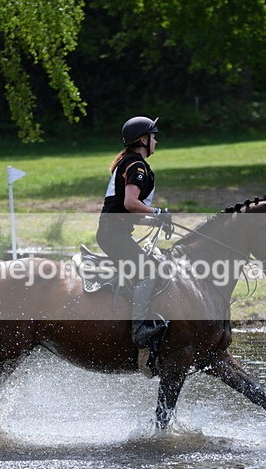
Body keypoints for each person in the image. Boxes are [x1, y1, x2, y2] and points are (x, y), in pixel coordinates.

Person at [96, 116, 173, 369]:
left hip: (115, 232)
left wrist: (156, 221)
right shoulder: (136, 166)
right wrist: (158, 214)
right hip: (112, 235)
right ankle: (140, 329)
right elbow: (130, 204)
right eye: (154, 136)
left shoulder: (132, 163)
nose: (156, 141)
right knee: (149, 271)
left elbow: (129, 211)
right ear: (143, 140)